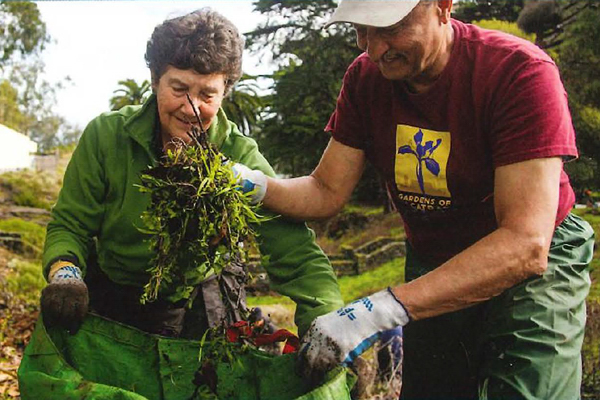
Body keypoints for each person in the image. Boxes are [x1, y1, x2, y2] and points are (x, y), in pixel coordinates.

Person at [236, 1, 596, 399]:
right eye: (361, 31)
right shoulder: (366, 79)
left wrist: (375, 312)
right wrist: (257, 185)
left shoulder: (517, 72)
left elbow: (525, 242)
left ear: (443, 6)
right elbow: (325, 190)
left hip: (531, 264)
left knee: (528, 388)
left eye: (388, 27)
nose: (373, 49)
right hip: (435, 257)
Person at [19, 8, 343, 398]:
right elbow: (70, 225)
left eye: (207, 94)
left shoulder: (239, 159)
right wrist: (65, 273)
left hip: (196, 304)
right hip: (113, 296)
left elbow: (296, 254)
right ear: (155, 81)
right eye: (179, 89)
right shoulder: (107, 138)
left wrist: (329, 319)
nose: (192, 109)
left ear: (225, 92)